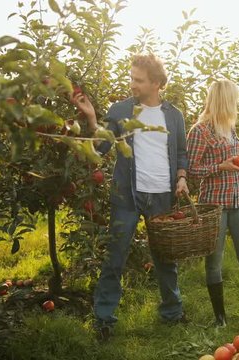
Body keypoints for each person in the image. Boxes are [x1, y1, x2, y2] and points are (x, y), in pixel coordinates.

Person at [74, 53, 190, 340]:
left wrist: (182, 179)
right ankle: (104, 319)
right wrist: (91, 118)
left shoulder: (174, 116)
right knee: (115, 256)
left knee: (165, 259)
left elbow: (180, 154)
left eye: (138, 80)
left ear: (156, 83)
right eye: (131, 78)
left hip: (162, 195)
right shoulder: (120, 110)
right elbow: (100, 147)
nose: (132, 84)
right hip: (127, 194)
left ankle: (172, 313)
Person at [186, 79, 239, 327]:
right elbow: (191, 170)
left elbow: (234, 162)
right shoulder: (199, 131)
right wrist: (220, 166)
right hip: (213, 204)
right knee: (214, 261)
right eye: (235, 99)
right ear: (226, 100)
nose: (238, 103)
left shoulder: (230, 128)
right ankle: (220, 319)